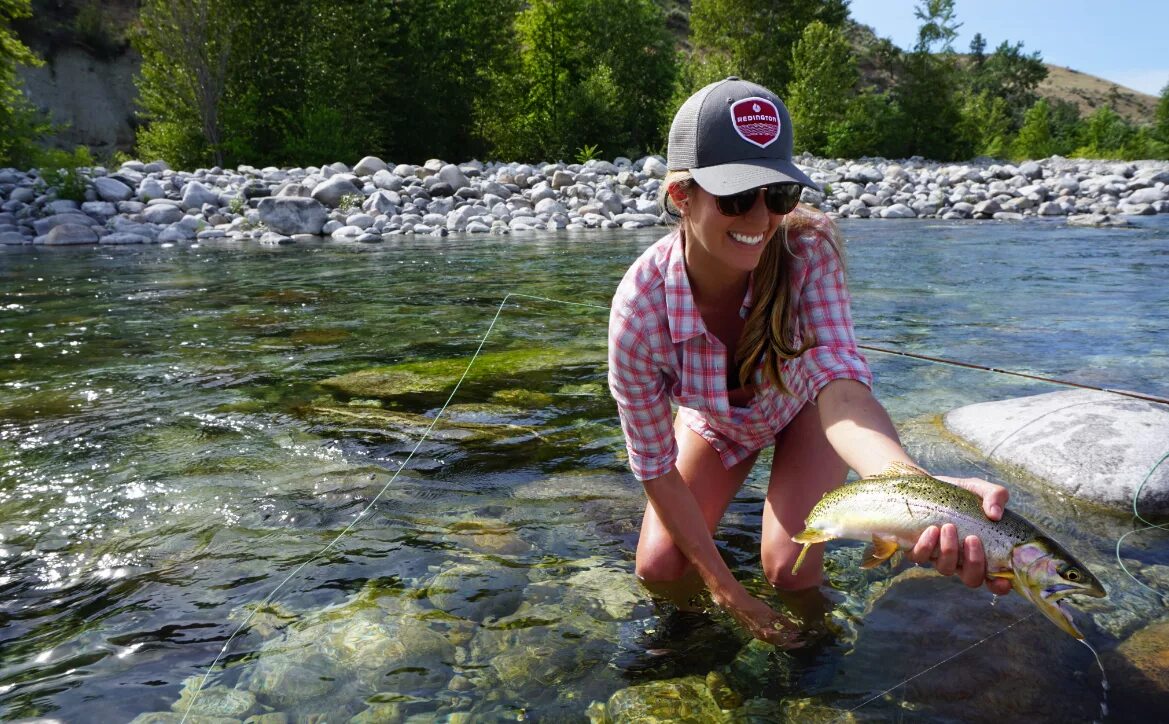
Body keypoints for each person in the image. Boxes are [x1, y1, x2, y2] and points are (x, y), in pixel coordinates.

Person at [607, 77, 1012, 647]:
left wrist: (909, 485)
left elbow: (838, 386)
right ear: (681, 195)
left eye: (778, 195)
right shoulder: (638, 313)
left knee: (787, 569)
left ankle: (816, 653)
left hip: (806, 413)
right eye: (735, 197)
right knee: (658, 570)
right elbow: (653, 465)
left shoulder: (807, 248)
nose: (760, 218)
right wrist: (728, 593)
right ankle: (699, 650)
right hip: (717, 421)